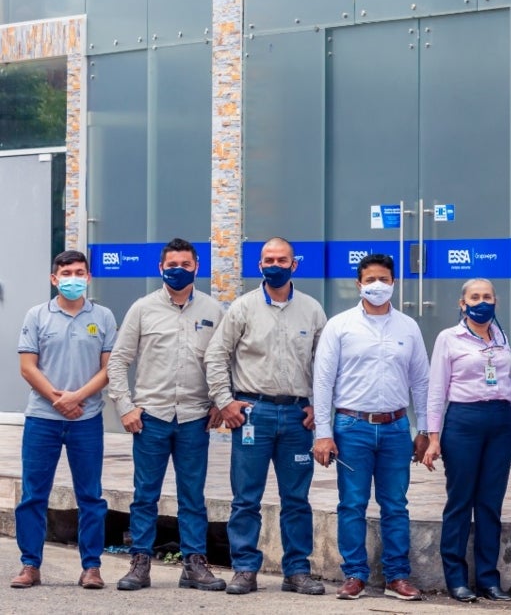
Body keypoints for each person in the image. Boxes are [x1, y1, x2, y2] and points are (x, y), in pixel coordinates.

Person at [204, 236, 327, 596]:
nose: (275, 265)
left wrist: (319, 408)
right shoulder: (242, 308)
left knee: (297, 500)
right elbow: (216, 355)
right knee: (246, 498)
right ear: (259, 265)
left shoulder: (312, 310)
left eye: (282, 260)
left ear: (294, 264)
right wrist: (225, 401)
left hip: (296, 417)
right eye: (268, 260)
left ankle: (297, 571)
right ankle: (244, 568)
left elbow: (325, 365)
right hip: (252, 415)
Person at [106, 238, 227, 592]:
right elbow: (118, 361)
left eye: (185, 265)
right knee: (145, 495)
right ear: (160, 268)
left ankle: (194, 565)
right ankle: (140, 563)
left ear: (196, 267)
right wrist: (125, 407)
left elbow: (224, 360)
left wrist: (219, 401)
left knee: (193, 496)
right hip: (151, 418)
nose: (178, 270)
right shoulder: (142, 309)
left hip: (194, 418)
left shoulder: (213, 310)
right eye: (172, 265)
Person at [313, 253, 430, 602]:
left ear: (394, 283)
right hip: (352, 427)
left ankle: (397, 576)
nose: (377, 286)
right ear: (358, 284)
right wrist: (323, 432)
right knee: (352, 503)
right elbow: (323, 381)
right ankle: (354, 575)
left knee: (395, 504)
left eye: (384, 279)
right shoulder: (340, 326)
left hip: (396, 427)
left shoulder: (408, 327)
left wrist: (424, 429)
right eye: (370, 280)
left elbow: (421, 381)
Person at [11, 250, 116, 591]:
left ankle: (92, 567)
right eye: (66, 273)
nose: (73, 278)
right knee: (33, 495)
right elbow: (28, 367)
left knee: (91, 496)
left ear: (88, 277)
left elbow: (108, 369)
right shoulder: (37, 315)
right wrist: (59, 400)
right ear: (54, 278)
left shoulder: (103, 316)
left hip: (87, 419)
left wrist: (77, 398)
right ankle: (30, 565)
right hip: (43, 418)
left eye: (79, 272)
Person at [421, 278, 511, 602]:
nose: (482, 302)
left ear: (496, 301)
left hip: (499, 422)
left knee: (490, 504)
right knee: (460, 501)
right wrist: (434, 438)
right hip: (463, 422)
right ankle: (456, 579)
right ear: (462, 304)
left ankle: (488, 580)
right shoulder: (449, 338)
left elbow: (510, 387)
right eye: (475, 297)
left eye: (487, 297)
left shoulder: (501, 337)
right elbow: (436, 390)